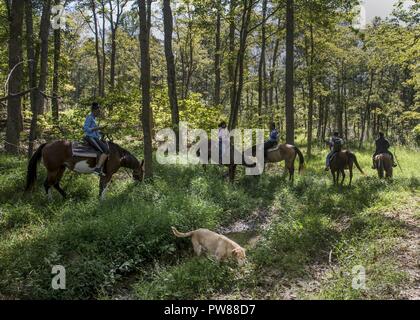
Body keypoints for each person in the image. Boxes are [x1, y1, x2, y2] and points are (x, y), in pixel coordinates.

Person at [83, 102, 109, 176]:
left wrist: (101, 132)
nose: (99, 112)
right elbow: (86, 129)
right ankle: (97, 169)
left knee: (103, 149)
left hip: (94, 137)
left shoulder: (94, 118)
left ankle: (100, 168)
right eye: (98, 111)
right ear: (94, 110)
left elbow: (94, 131)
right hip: (90, 138)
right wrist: (98, 128)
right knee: (106, 151)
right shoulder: (89, 117)